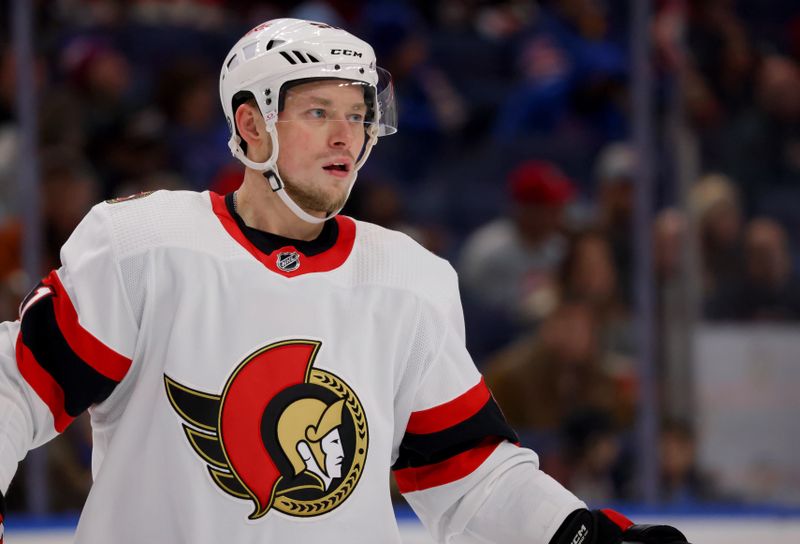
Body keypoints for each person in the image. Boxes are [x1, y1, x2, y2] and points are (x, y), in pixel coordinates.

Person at [0, 18, 689, 544]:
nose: (346, 137)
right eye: (319, 112)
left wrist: (575, 534)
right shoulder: (145, 250)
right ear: (251, 125)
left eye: (357, 115)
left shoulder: (407, 281)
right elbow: (18, 385)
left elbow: (471, 476)